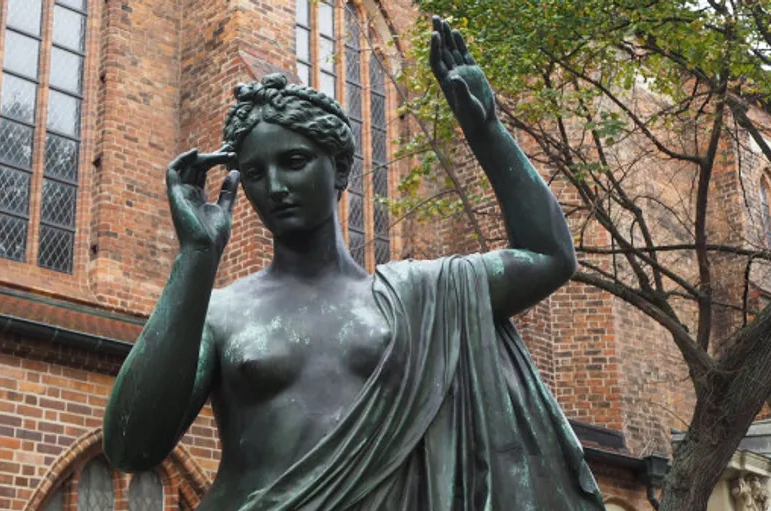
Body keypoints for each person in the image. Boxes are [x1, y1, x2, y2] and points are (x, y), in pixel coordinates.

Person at [103, 17, 605, 510]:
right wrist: (195, 259)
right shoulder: (218, 313)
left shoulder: (417, 299)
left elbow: (548, 256)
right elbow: (131, 446)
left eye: (294, 162)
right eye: (255, 172)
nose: (275, 187)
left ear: (340, 168)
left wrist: (487, 129)